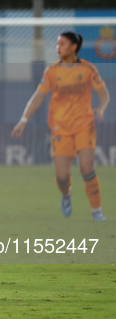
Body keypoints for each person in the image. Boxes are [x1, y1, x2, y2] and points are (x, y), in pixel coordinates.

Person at [11, 31, 110, 222]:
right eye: (57, 44)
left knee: (87, 168)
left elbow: (104, 93)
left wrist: (102, 108)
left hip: (84, 124)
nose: (58, 48)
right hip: (60, 128)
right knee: (62, 176)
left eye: (62, 44)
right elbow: (38, 97)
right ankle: (66, 195)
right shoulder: (51, 71)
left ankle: (97, 210)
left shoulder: (88, 69)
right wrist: (24, 119)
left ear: (74, 47)